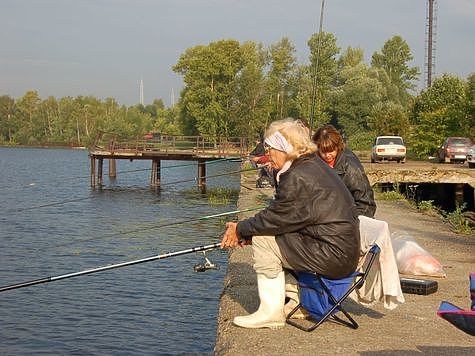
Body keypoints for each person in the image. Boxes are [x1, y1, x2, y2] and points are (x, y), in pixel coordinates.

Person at [220, 118, 360, 329]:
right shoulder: (312, 165)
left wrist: (240, 229)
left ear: (284, 148)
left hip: (332, 255)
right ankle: (296, 299)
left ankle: (270, 313)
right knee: (266, 235)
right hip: (341, 251)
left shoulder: (297, 175)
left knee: (264, 239)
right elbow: (289, 218)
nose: (268, 155)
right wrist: (245, 232)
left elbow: (275, 218)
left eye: (270, 149)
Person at [312, 124, 376, 218]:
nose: (327, 155)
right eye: (323, 151)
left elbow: (366, 204)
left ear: (338, 147)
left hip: (348, 218)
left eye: (331, 151)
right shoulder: (313, 162)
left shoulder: (351, 168)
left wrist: (349, 221)